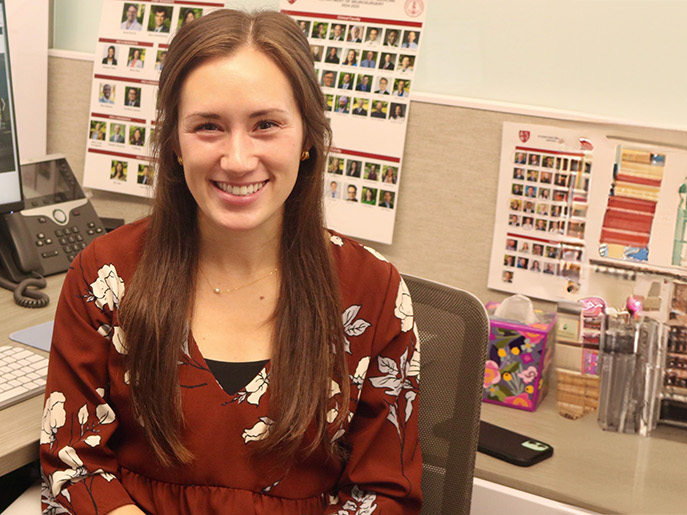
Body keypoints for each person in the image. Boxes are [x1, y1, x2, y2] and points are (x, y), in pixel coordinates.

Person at [39, 10, 422, 515]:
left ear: (307, 135)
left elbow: (384, 494)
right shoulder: (105, 275)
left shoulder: (373, 292)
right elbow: (74, 465)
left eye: (266, 125)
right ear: (174, 142)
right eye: (208, 127)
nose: (238, 159)